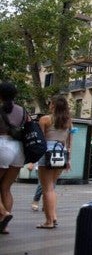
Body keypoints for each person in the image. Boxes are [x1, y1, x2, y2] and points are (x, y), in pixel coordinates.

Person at [36, 95, 73, 229]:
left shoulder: (45, 119)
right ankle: (53, 216)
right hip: (61, 153)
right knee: (52, 187)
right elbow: (69, 142)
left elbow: (40, 140)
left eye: (51, 103)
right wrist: (68, 159)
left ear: (53, 105)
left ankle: (49, 221)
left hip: (47, 153)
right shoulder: (68, 121)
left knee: (47, 188)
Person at [0, 81, 26, 234]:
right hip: (19, 150)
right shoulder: (22, 110)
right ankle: (4, 226)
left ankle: (4, 214)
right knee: (5, 187)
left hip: (3, 146)